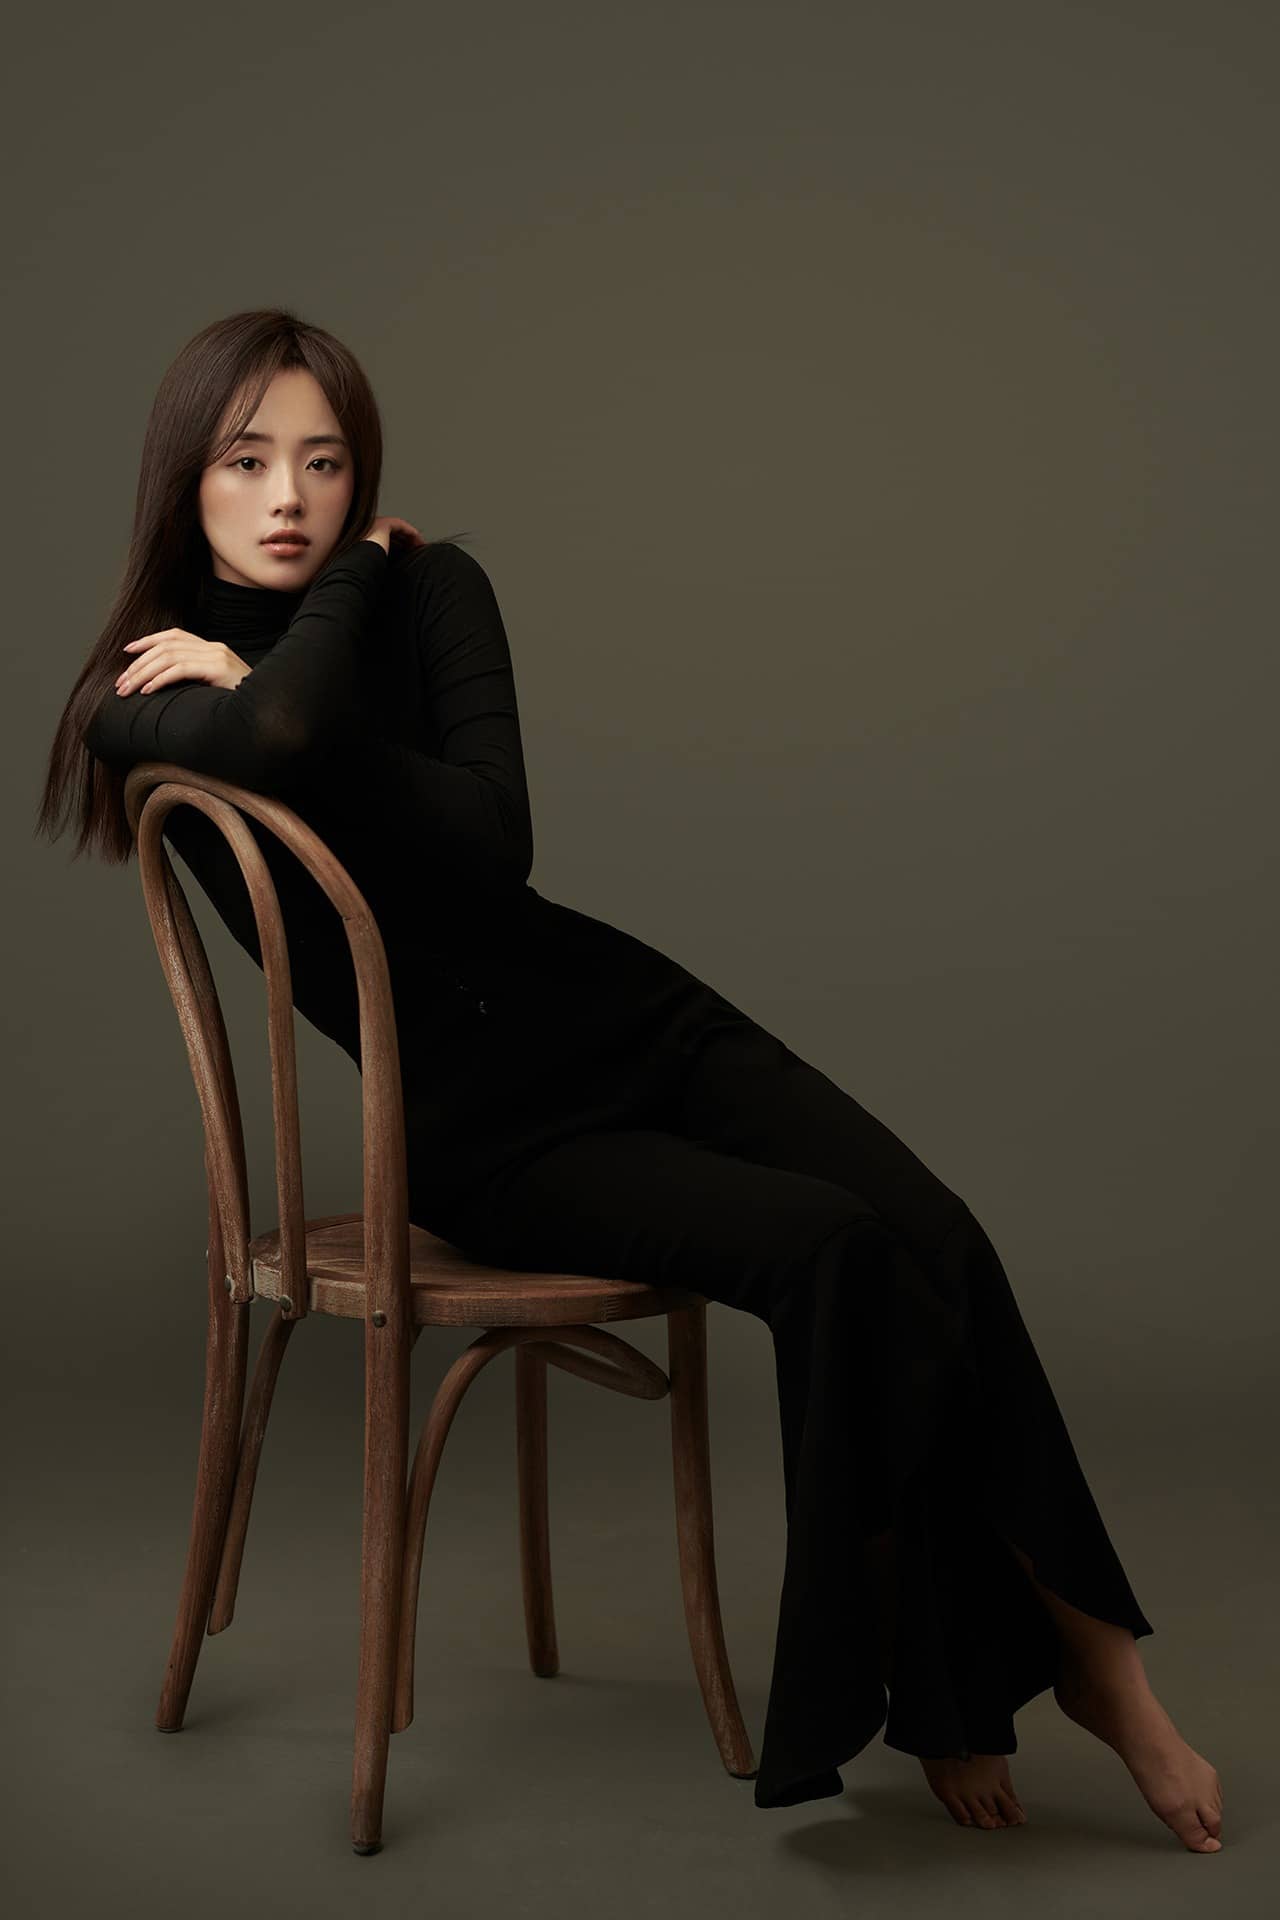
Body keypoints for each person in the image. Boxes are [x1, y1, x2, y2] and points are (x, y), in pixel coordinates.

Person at [36, 308, 1223, 1850]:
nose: (290, 499)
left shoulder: (432, 587)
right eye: (247, 462)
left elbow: (492, 843)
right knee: (833, 1251)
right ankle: (950, 1693)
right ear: (181, 482)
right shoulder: (135, 694)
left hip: (634, 1018)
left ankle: (1100, 1665)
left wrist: (338, 620)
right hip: (484, 1131)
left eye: (325, 466)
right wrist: (321, 623)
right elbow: (282, 721)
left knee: (938, 1230)